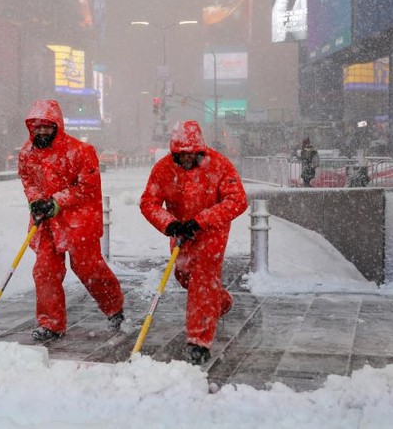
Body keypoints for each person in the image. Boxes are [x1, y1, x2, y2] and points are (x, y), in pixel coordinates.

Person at [140, 120, 248, 365]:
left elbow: (237, 200)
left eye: (192, 154)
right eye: (181, 155)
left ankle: (199, 341)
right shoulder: (163, 169)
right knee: (183, 276)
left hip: (211, 233)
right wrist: (169, 224)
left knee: (202, 281)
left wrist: (201, 221)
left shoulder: (219, 165)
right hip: (181, 233)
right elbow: (149, 203)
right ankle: (219, 301)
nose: (187, 159)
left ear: (200, 150)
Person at [18, 99, 125, 342]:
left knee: (89, 269)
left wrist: (57, 201)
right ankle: (51, 323)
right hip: (45, 221)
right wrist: (35, 200)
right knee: (45, 271)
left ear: (57, 126)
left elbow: (87, 187)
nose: (42, 131)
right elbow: (28, 180)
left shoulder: (81, 151)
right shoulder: (27, 153)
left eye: (47, 126)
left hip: (78, 220)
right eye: (37, 126)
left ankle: (114, 307)